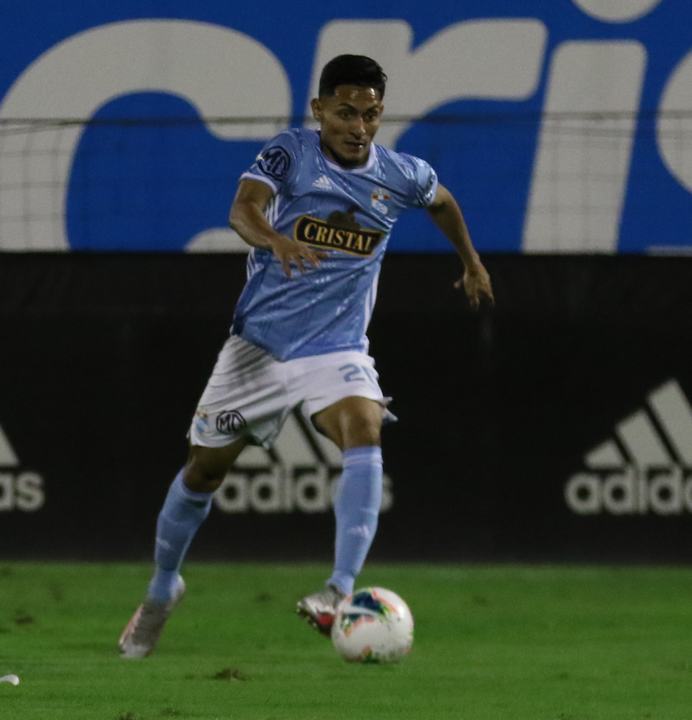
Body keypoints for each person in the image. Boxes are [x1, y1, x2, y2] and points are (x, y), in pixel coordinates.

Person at [118, 54, 494, 658]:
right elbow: (242, 209)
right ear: (319, 109)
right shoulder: (291, 154)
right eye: (346, 112)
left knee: (364, 423)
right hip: (258, 351)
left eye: (371, 114)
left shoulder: (400, 174)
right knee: (203, 472)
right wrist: (276, 240)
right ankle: (163, 589)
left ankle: (338, 591)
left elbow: (442, 201)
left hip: (335, 348)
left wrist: (470, 261)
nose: (359, 127)